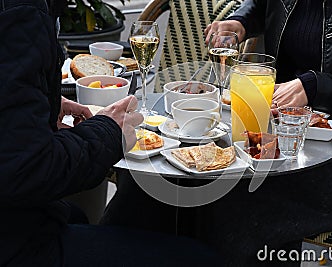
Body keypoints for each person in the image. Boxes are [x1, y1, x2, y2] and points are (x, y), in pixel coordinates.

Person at [0, 0, 221, 266]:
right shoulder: (21, 14)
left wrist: (44, 105)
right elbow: (26, 169)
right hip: (17, 244)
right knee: (202, 259)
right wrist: (107, 132)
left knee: (78, 216)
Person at [201, 0, 332, 265]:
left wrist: (318, 87)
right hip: (289, 132)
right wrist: (241, 22)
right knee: (205, 178)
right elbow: (262, 4)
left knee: (244, 196)